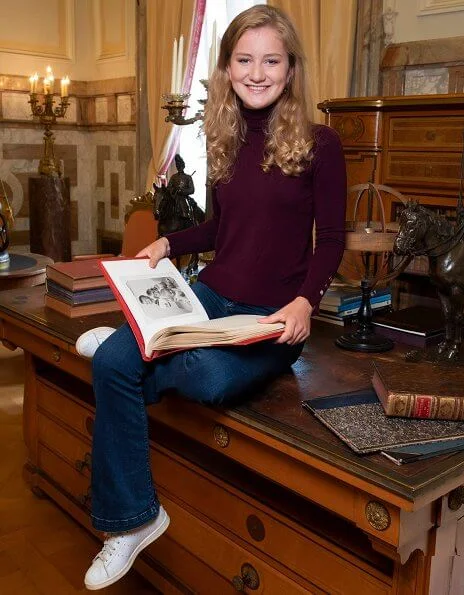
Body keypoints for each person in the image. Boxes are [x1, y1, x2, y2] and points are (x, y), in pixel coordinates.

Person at [79, 4, 346, 590]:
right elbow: (218, 233)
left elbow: (331, 240)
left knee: (202, 378)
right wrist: (168, 242)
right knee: (111, 363)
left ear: (291, 68)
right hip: (209, 295)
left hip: (271, 319)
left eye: (270, 60)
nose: (256, 72)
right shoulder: (221, 138)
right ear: (226, 68)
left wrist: (307, 303)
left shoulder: (322, 144)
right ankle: (132, 520)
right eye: (243, 60)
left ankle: (138, 349)